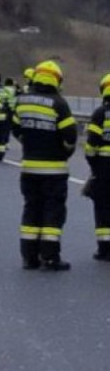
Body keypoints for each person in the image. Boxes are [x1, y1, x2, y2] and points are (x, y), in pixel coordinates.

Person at [11, 60, 76, 271]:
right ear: (57, 80)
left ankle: (29, 258)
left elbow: (15, 129)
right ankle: (50, 257)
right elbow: (70, 137)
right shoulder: (59, 103)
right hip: (54, 170)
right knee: (53, 212)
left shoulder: (21, 101)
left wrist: (28, 144)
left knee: (31, 209)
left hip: (29, 168)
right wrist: (64, 152)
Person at [84, 73, 110, 262]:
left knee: (102, 207)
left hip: (104, 168)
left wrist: (94, 167)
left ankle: (105, 249)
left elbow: (91, 145)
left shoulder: (100, 113)